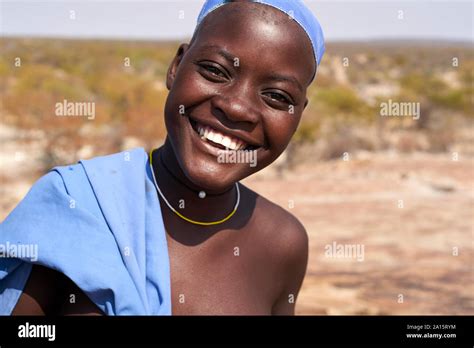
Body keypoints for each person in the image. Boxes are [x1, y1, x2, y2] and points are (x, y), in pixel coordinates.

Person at [0, 0, 325, 315]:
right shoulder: (75, 208)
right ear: (175, 67)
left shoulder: (283, 243)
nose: (237, 108)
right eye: (215, 71)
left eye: (277, 96)